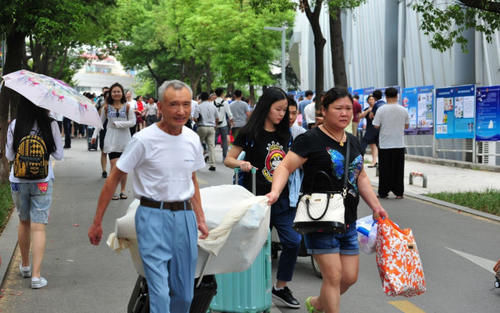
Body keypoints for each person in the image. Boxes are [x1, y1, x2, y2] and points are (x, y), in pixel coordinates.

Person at [88, 80, 208, 313]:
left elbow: (191, 179)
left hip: (185, 218)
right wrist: (97, 222)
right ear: (160, 107)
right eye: (174, 104)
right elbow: (114, 177)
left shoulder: (192, 138)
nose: (181, 111)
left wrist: (200, 218)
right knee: (160, 294)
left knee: (185, 295)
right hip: (152, 216)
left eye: (185, 104)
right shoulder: (143, 140)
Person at [266, 87, 388, 313]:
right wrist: (275, 192)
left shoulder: (353, 141)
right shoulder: (310, 139)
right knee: (333, 276)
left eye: (348, 109)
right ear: (323, 110)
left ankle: (317, 303)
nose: (344, 113)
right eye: (338, 108)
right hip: (319, 220)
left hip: (348, 221)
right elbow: (285, 166)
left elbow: (360, 176)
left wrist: (376, 206)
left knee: (349, 278)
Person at [224, 87, 302, 309]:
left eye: (285, 110)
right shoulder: (249, 133)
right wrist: (242, 163)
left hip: (282, 198)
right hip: (255, 198)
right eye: (278, 109)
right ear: (266, 107)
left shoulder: (285, 133)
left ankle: (280, 286)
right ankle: (253, 288)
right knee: (256, 245)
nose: (282, 114)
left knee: (293, 241)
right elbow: (229, 159)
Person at [5, 95, 63, 289]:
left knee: (23, 221)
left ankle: (25, 266)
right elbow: (59, 155)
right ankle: (36, 277)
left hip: (18, 180)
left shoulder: (15, 124)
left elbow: (9, 155)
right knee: (38, 227)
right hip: (42, 181)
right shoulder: (51, 124)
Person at [91, 82, 136, 200]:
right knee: (114, 165)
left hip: (125, 140)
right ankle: (114, 190)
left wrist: (119, 124)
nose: (116, 93)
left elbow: (133, 122)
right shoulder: (106, 108)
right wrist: (94, 135)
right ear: (111, 93)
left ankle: (122, 190)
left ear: (122, 93)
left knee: (124, 167)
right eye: (114, 91)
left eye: (118, 91)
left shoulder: (127, 107)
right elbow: (99, 123)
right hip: (111, 139)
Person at [373, 87, 409, 199]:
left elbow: (376, 125)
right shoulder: (403, 110)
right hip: (399, 143)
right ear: (397, 96)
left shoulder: (381, 110)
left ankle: (383, 192)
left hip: (385, 144)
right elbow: (407, 126)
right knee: (398, 170)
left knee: (384, 169)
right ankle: (399, 193)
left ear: (386, 96)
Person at [194, 92, 219, 171]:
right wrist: (216, 125)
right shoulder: (213, 106)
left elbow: (195, 118)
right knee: (211, 146)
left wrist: (196, 122)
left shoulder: (199, 106)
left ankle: (196, 163)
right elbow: (217, 118)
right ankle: (212, 164)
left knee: (198, 145)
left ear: (200, 98)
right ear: (208, 98)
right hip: (211, 127)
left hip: (202, 127)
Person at [214, 87, 233, 161]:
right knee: (224, 141)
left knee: (213, 141)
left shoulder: (212, 102)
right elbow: (229, 113)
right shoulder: (225, 102)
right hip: (223, 124)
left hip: (215, 125)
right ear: (222, 94)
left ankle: (211, 155)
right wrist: (231, 121)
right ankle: (224, 157)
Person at [359, 94, 379, 167]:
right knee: (372, 145)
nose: (371, 101)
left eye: (372, 99)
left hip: (374, 128)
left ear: (375, 100)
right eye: (369, 100)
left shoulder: (377, 108)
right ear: (367, 101)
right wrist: (368, 110)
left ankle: (360, 158)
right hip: (369, 127)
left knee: (364, 142)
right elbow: (360, 116)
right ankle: (374, 162)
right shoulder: (367, 109)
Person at [96, 87, 110, 178]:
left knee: (113, 152)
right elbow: (98, 115)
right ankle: (104, 170)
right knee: (103, 151)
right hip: (103, 129)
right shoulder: (101, 104)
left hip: (113, 129)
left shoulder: (118, 106)